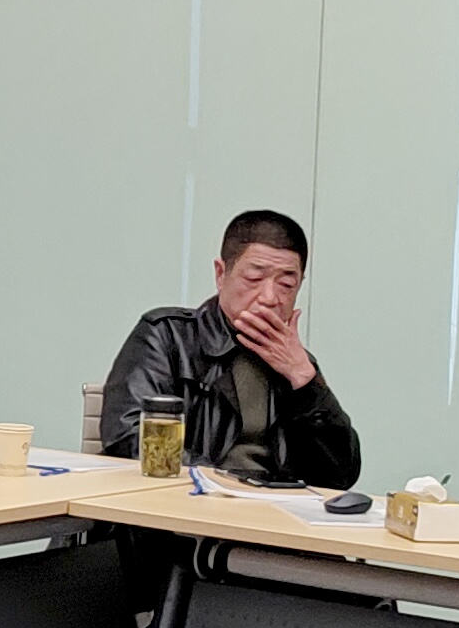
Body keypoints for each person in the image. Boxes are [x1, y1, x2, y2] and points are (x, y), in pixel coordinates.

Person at [92, 209, 362, 488]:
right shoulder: (168, 336)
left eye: (286, 284)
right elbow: (128, 437)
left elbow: (339, 477)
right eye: (254, 278)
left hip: (271, 509)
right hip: (182, 505)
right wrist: (224, 483)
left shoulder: (296, 364)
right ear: (221, 275)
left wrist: (306, 381)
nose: (270, 297)